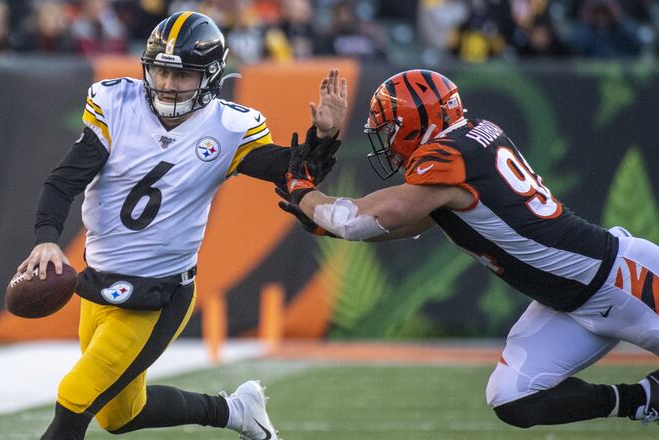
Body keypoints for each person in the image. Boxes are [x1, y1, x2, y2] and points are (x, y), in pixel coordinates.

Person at [15, 11, 346, 440]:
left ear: (209, 76)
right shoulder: (117, 104)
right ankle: (236, 412)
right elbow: (66, 180)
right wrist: (46, 240)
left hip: (159, 293)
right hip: (98, 283)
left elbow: (294, 172)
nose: (169, 84)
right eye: (161, 70)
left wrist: (323, 137)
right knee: (120, 416)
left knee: (74, 398)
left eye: (183, 74)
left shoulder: (229, 128)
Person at [279, 69, 659, 428]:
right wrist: (322, 219)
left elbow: (357, 219)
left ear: (417, 123)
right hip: (570, 303)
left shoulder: (448, 155)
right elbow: (406, 223)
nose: (388, 142)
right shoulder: (469, 141)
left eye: (390, 130)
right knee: (513, 397)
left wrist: (303, 191)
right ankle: (645, 398)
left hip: (620, 278)